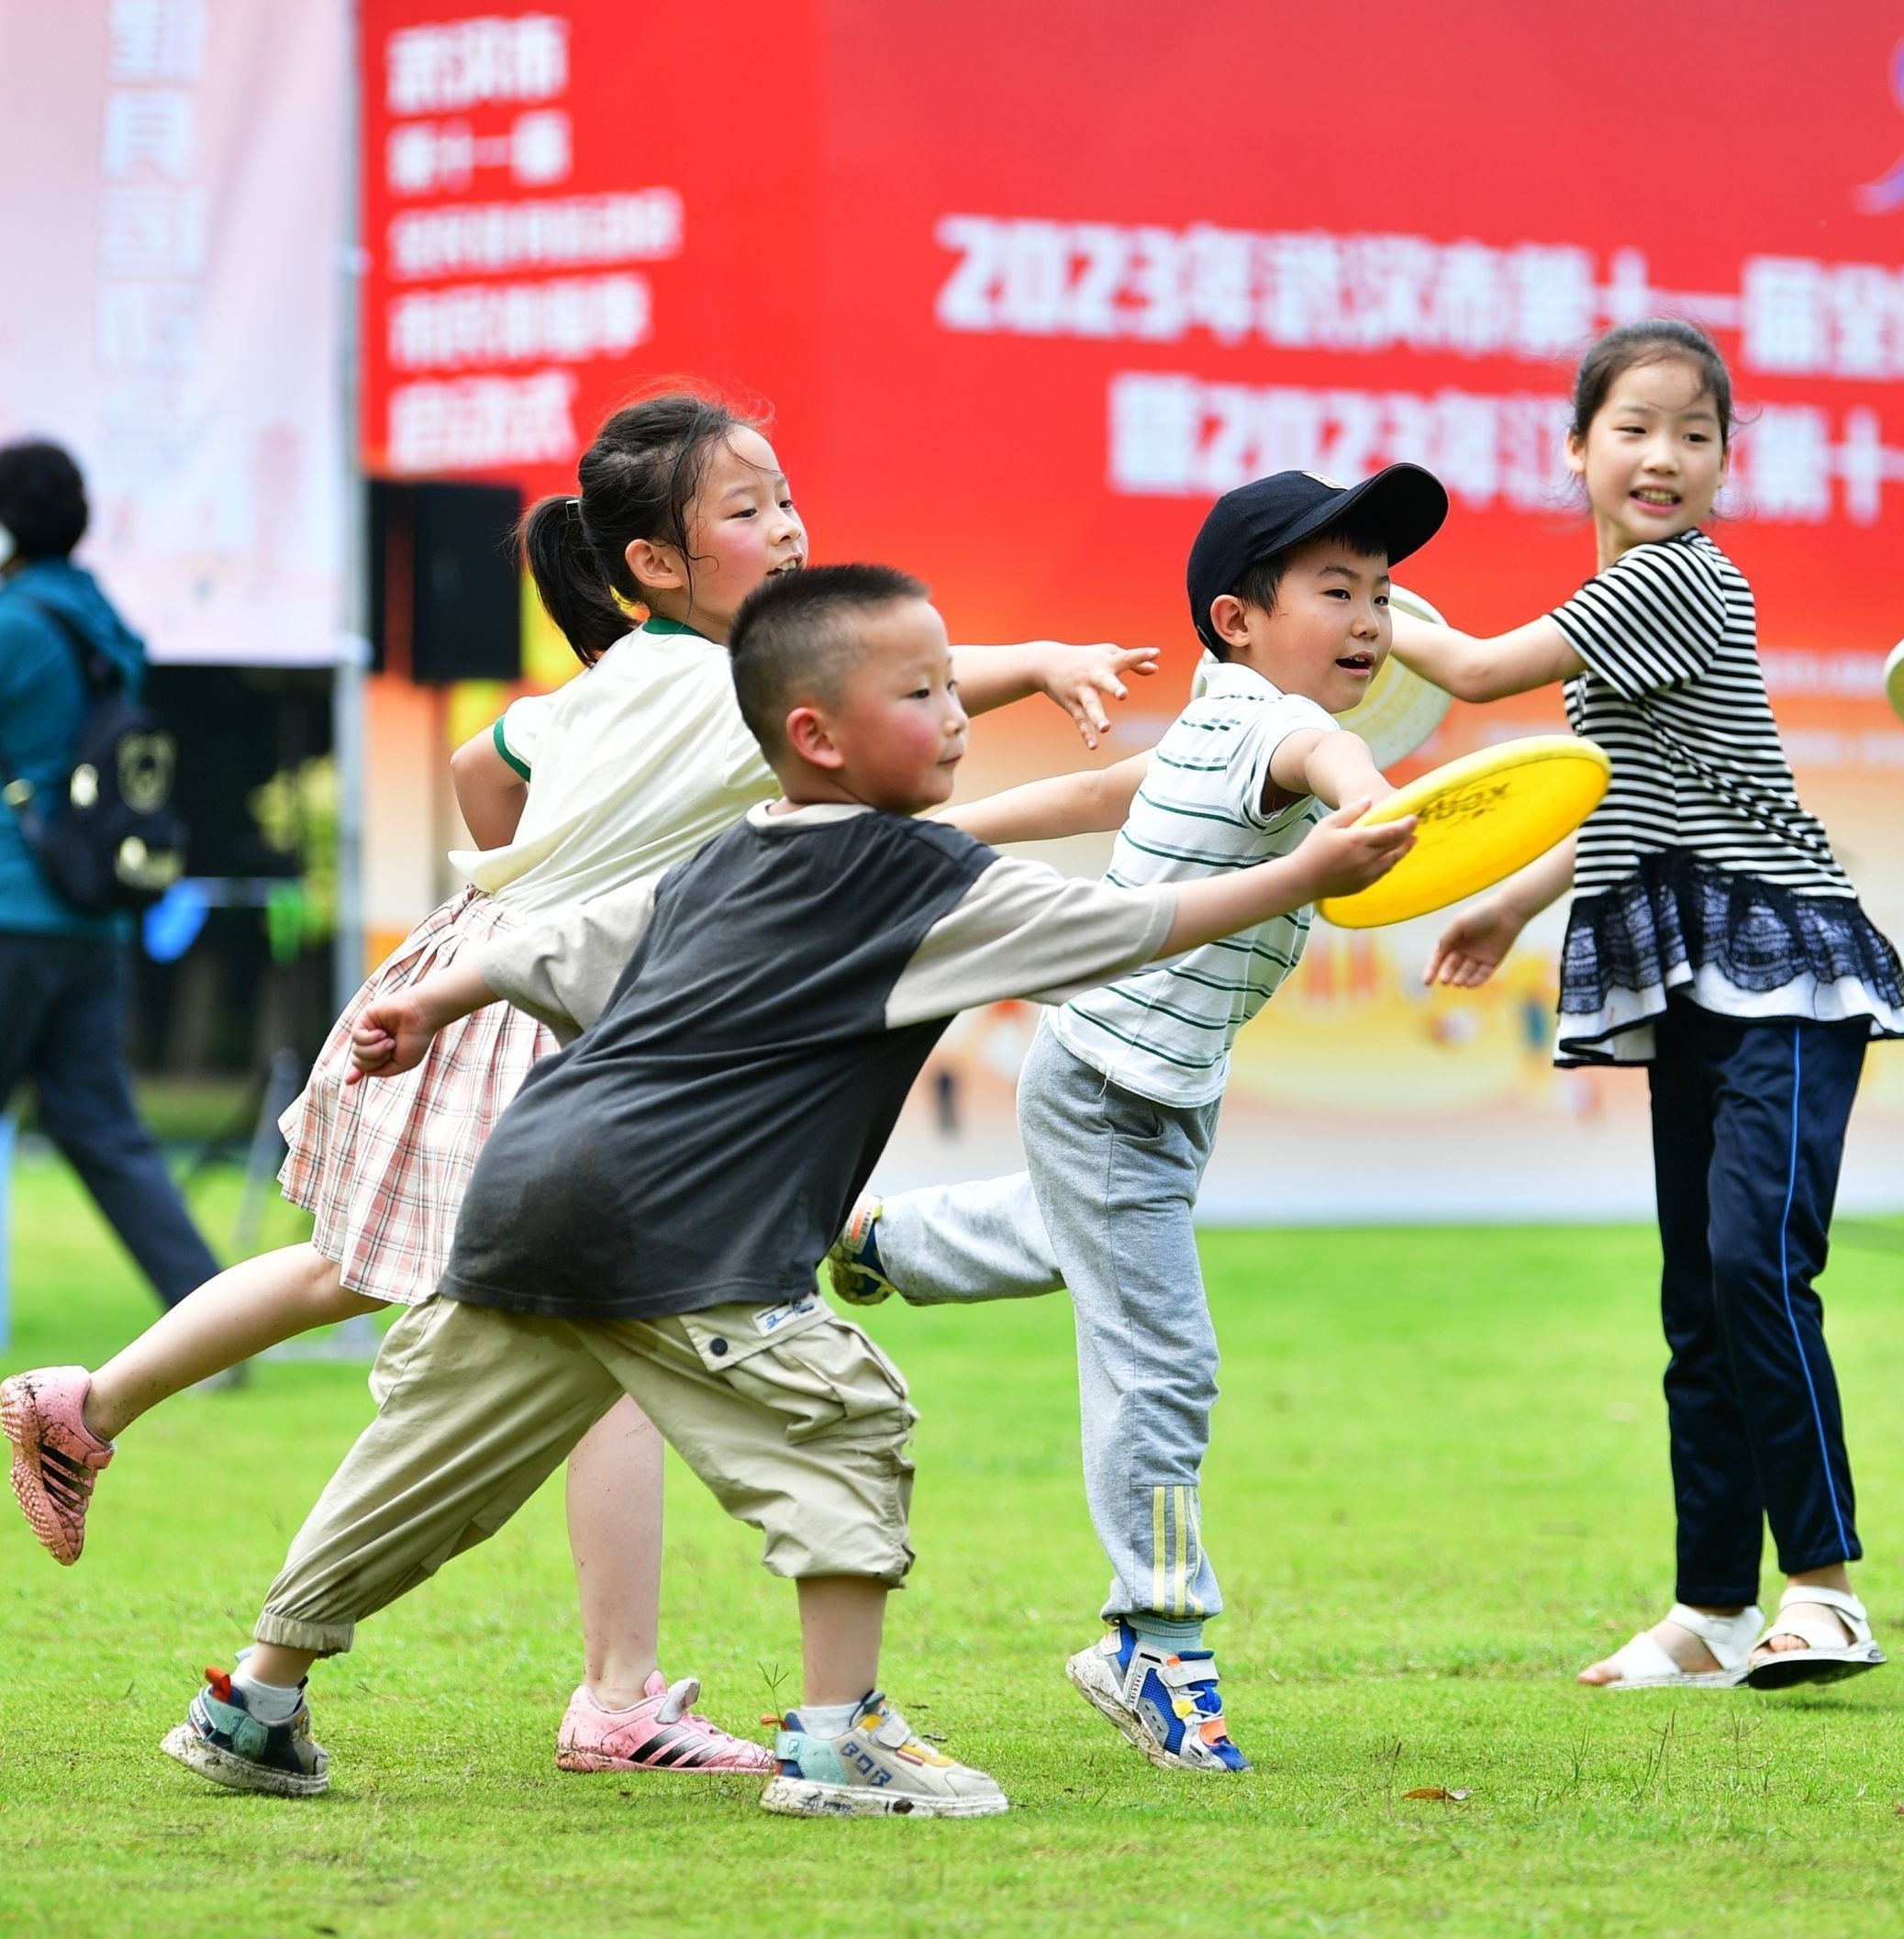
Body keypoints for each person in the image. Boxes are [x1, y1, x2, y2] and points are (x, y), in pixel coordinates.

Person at [4, 394, 1152, 1778]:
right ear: (657, 564)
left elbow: (487, 770)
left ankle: (113, 1433)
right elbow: (897, 692)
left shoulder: (629, 679)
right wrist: (1045, 666)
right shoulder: (718, 688)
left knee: (388, 1286)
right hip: (538, 1023)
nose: (786, 525)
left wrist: (538, 879)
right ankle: (603, 1698)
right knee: (570, 1323)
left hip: (492, 985)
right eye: (748, 509)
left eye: (785, 496)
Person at [157, 563, 1414, 1818]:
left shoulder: (729, 855)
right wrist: (1304, 878)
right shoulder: (920, 883)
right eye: (922, 691)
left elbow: (568, 942)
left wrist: (432, 997)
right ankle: (838, 1740)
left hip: (530, 1192)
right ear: (814, 734)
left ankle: (252, 1702)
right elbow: (1127, 927)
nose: (957, 713)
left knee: (422, 1467)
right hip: (680, 1228)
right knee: (849, 1419)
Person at [823, 465, 1448, 1771]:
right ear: (1237, 619)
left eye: (1382, 595)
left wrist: (934, 840)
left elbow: (1102, 798)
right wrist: (1361, 792)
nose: (1372, 620)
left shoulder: (1216, 729)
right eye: (1336, 590)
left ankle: (880, 1241)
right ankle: (1153, 1637)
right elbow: (1322, 752)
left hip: (1143, 1089)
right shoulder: (1268, 730)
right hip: (1113, 1091)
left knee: (1081, 1244)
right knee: (1161, 1357)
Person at [1388, 320, 1904, 1690]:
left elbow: (1481, 673)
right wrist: (1512, 903)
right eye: (1632, 427)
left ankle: (1828, 1592)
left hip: (1786, 970)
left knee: (1755, 1270)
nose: (1663, 455)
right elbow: (1623, 789)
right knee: (1698, 1298)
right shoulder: (1623, 598)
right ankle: (1713, 1612)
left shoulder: (1681, 579)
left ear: (1727, 463)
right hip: (1692, 972)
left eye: (1693, 431)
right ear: (1578, 452)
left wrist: (1349, 600)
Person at [0, 440, 220, 1313]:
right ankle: (212, 1319)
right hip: (89, 919)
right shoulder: (98, 618)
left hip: (12, 905)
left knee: (103, 1128)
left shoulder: (16, 623)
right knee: (106, 1132)